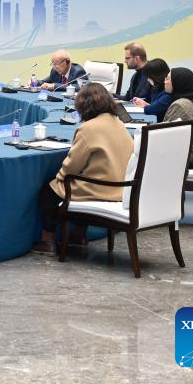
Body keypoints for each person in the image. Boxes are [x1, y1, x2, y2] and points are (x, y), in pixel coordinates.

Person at [32, 83, 134, 255]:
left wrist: (60, 177)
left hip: (99, 189)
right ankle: (79, 235)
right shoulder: (119, 123)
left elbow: (72, 165)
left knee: (49, 192)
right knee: (78, 180)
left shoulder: (88, 128)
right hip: (122, 188)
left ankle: (47, 241)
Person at [161, 67, 193, 152]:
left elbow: (169, 138)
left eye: (168, 79)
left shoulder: (180, 105)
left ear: (178, 83)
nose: (164, 82)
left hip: (179, 155)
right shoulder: (188, 101)